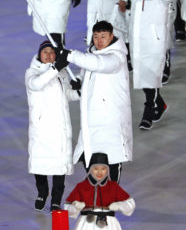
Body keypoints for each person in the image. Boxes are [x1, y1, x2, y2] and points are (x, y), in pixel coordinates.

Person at [55, 21, 132, 182]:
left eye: (103, 37)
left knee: (111, 157)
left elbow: (99, 64)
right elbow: (86, 75)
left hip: (111, 117)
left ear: (111, 36)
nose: (99, 41)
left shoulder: (116, 57)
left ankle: (111, 195)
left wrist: (70, 55)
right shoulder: (92, 55)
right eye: (96, 37)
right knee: (88, 157)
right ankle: (97, 195)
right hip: (92, 118)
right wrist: (77, 82)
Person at [25, 40, 80, 211]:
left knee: (59, 165)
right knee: (40, 163)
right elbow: (36, 84)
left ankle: (56, 198)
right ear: (39, 55)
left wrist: (78, 90)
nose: (49, 55)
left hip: (59, 127)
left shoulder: (61, 72)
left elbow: (66, 95)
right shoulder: (31, 72)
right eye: (45, 52)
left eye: (51, 52)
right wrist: (55, 69)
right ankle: (42, 192)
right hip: (42, 128)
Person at [64, 153, 135, 230]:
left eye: (103, 169)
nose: (99, 172)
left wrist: (119, 205)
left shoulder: (113, 186)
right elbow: (67, 208)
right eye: (96, 169)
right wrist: (76, 207)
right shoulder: (81, 186)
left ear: (107, 170)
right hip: (87, 225)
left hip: (109, 225)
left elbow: (130, 204)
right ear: (90, 169)